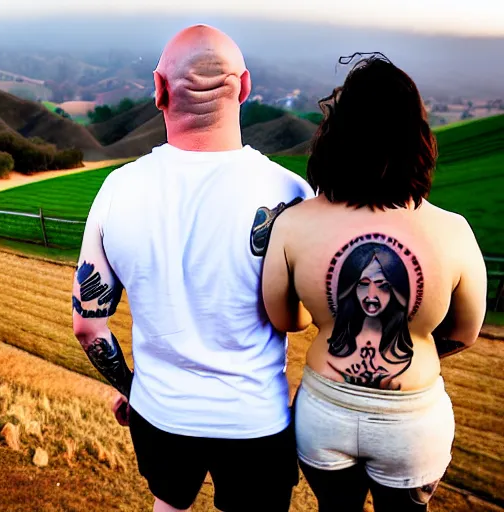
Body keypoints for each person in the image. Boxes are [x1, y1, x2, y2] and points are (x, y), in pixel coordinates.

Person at [72, 24, 314, 512]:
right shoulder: (292, 193)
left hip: (160, 413)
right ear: (243, 88)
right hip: (256, 420)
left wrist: (132, 389)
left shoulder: (117, 189)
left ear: (160, 90)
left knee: (169, 503)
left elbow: (87, 325)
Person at [262, 54, 487, 511]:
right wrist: (406, 343)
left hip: (325, 413)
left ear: (335, 134)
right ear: (418, 139)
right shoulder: (453, 231)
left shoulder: (294, 225)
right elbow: (466, 331)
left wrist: (325, 317)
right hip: (414, 424)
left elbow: (286, 319)